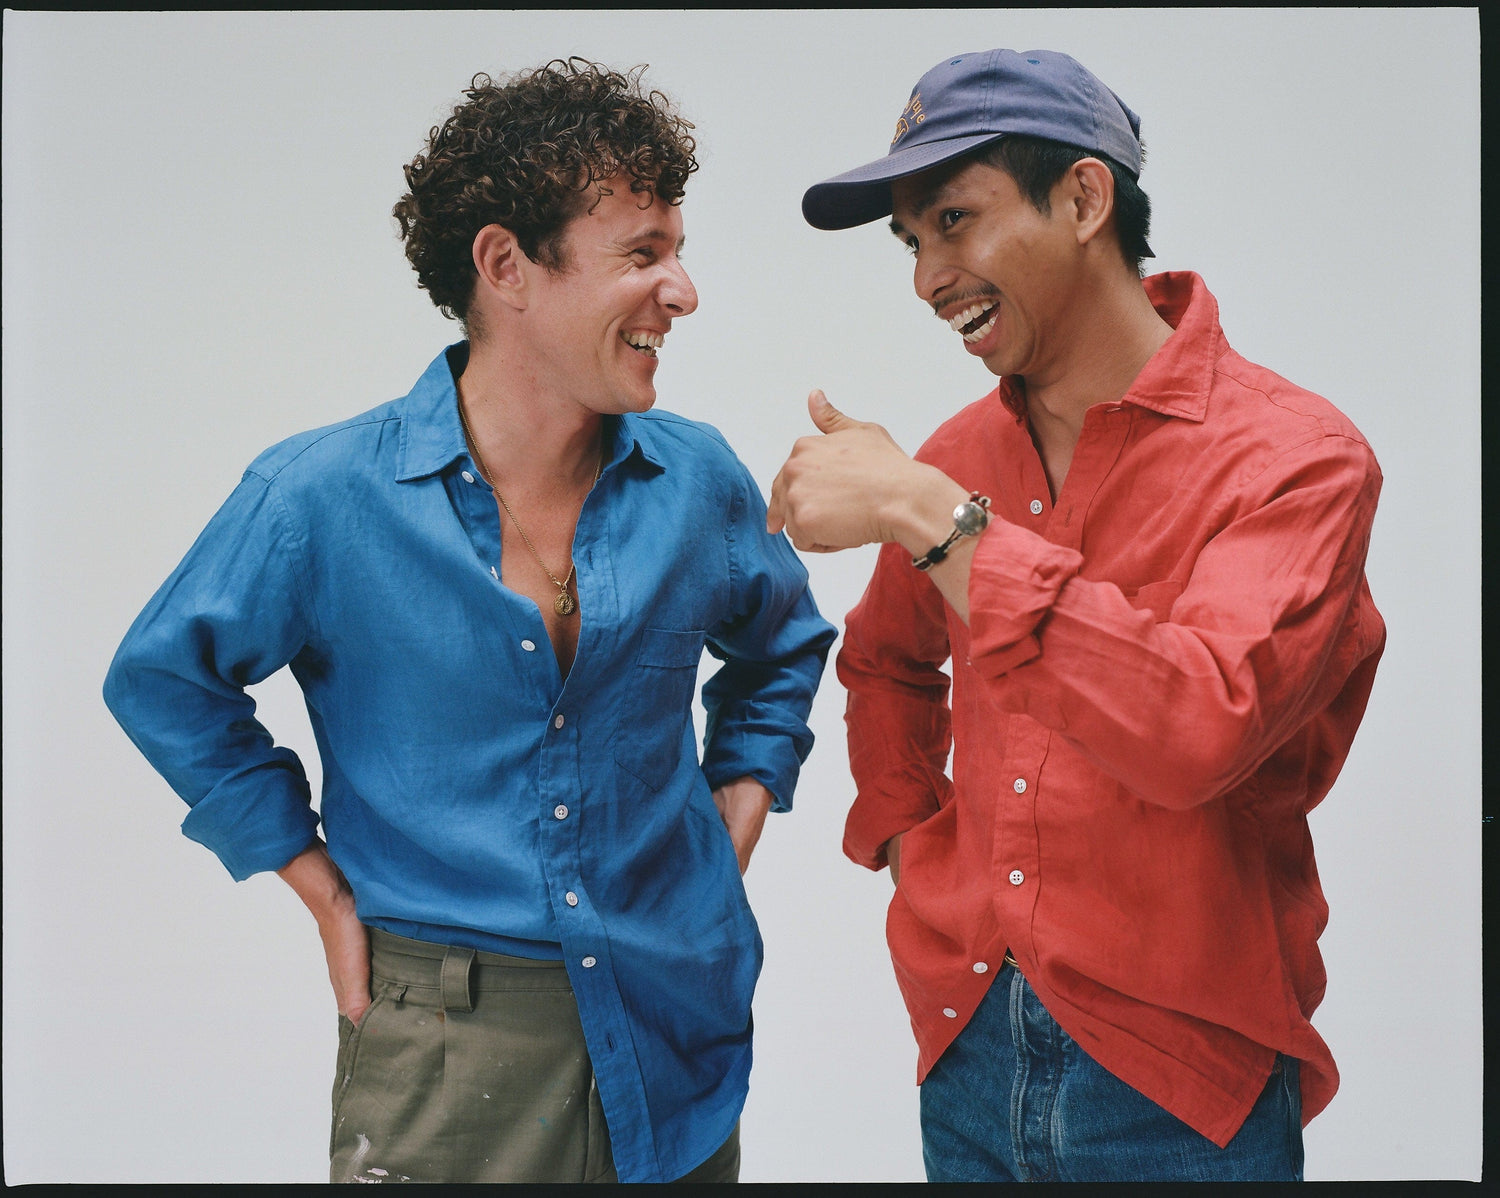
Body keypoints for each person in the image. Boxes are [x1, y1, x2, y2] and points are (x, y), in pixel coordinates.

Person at [103, 58, 835, 1185]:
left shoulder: (699, 481)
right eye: (642, 253)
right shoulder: (320, 497)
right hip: (445, 1043)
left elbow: (781, 645)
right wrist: (312, 879)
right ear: (506, 266)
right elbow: (164, 680)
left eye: (678, 250)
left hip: (676, 1019)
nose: (683, 290)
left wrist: (733, 816)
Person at [768, 47, 1385, 1183]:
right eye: (911, 243)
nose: (927, 277)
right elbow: (887, 662)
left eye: (954, 220)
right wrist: (912, 844)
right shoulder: (962, 454)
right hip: (967, 1048)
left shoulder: (1297, 460)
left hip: (1180, 1079)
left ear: (1086, 198)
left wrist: (930, 514)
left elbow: (1199, 723)